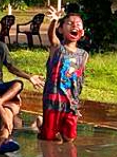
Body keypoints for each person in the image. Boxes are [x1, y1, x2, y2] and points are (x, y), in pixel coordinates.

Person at [38, 8, 89, 142]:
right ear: (60, 30)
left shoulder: (84, 54)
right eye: (69, 23)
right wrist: (54, 20)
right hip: (54, 98)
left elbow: (80, 78)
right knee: (48, 137)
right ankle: (41, 127)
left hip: (71, 101)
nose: (74, 26)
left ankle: (42, 125)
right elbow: (51, 36)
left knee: (69, 137)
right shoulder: (57, 48)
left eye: (78, 24)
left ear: (82, 32)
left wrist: (77, 102)